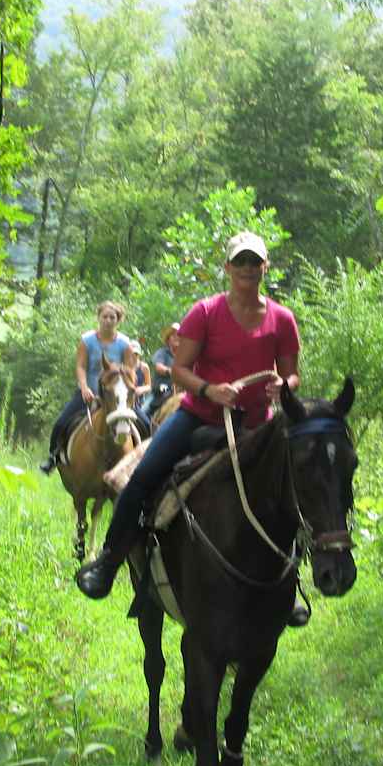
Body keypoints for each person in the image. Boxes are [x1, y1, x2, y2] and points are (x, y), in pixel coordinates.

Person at [75, 231, 301, 599]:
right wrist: (210, 390)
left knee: (301, 483)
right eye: (240, 261)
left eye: (254, 262)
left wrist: (284, 385)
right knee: (143, 477)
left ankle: (291, 582)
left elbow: (292, 372)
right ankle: (109, 562)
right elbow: (180, 370)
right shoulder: (206, 312)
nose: (247, 268)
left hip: (258, 424)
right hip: (200, 416)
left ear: (265, 267)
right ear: (228, 267)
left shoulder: (282, 319)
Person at [39, 301, 134, 474]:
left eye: (112, 317)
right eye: (104, 316)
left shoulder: (124, 344)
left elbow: (130, 370)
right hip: (88, 393)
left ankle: (142, 462)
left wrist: (124, 381)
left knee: (142, 421)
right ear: (98, 318)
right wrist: (84, 388)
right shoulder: (87, 340)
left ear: (118, 320)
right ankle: (53, 457)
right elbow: (81, 366)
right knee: (61, 423)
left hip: (116, 396)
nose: (108, 320)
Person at [144, 322, 180, 417]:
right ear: (168, 339)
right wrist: (170, 371)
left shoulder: (184, 355)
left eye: (179, 335)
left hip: (180, 390)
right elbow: (159, 367)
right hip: (161, 389)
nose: (177, 337)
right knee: (144, 411)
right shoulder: (162, 353)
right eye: (173, 335)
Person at [131, 341, 153, 438]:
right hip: (127, 402)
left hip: (139, 403)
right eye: (131, 353)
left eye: (136, 354)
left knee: (147, 424)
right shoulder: (123, 367)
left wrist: (140, 389)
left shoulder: (144, 367)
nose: (133, 356)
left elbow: (149, 386)